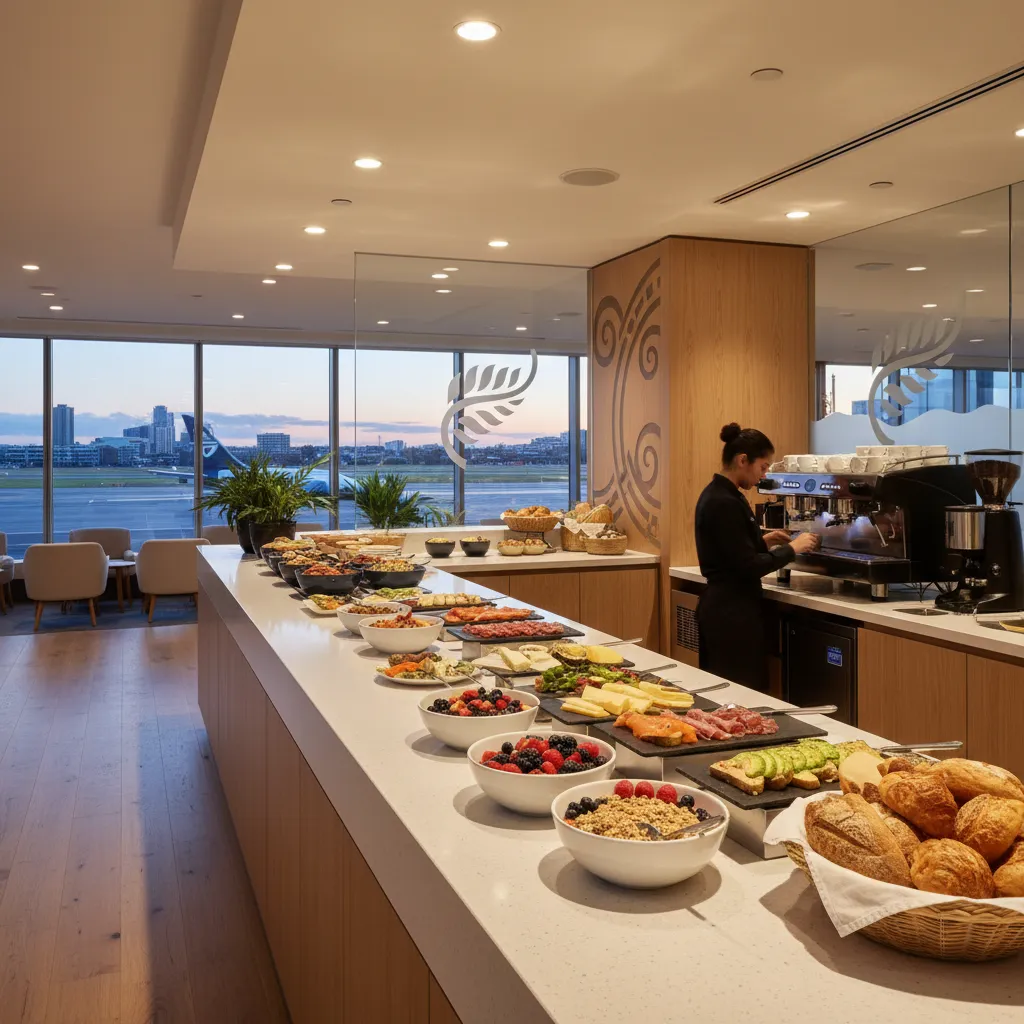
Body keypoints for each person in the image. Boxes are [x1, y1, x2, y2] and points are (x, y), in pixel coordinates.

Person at [694, 423, 819, 692]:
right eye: (763, 467)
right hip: (730, 616)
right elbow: (747, 566)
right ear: (743, 460)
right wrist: (793, 549)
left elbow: (729, 550)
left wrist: (763, 541)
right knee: (738, 697)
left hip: (725, 610)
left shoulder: (721, 494)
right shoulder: (724, 502)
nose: (763, 475)